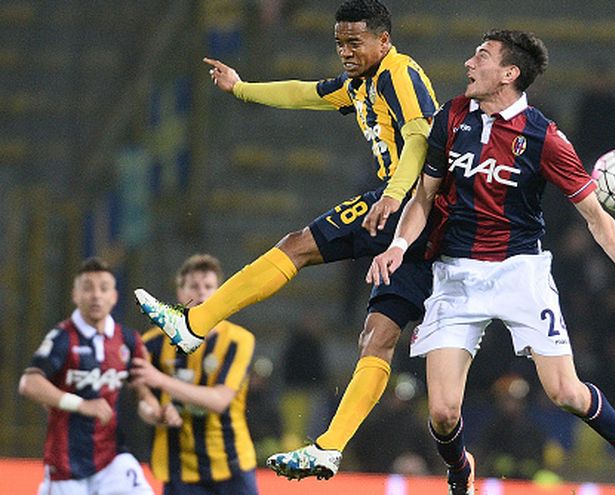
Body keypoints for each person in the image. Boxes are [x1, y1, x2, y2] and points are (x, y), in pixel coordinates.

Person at [133, 0, 438, 481]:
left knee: (299, 246)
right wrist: (241, 88)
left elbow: (422, 139)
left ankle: (195, 325)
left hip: (412, 204)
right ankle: (330, 447)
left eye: (354, 42)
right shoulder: (360, 84)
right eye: (339, 43)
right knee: (377, 336)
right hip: (406, 209)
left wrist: (393, 195)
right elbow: (304, 92)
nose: (345, 51)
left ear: (383, 40)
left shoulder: (399, 74)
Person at [368, 30, 615, 495]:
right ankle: (460, 472)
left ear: (508, 74)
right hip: (456, 273)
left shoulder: (543, 137)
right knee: (443, 413)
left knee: (565, 392)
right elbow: (424, 197)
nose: (469, 63)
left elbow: (594, 214)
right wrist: (398, 244)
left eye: (482, 56)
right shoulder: (452, 116)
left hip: (519, 272)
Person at [18, 257, 159, 495]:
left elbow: (144, 394)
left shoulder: (128, 340)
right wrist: (81, 404)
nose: (96, 296)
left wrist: (155, 412)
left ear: (114, 296)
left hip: (113, 458)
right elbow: (29, 383)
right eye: (87, 288)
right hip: (66, 463)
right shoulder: (62, 337)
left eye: (103, 288)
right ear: (75, 295)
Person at [131, 254, 259, 495]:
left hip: (231, 466)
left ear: (219, 292)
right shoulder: (152, 343)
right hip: (179, 469)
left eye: (209, 286)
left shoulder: (238, 340)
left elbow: (219, 400)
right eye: (193, 286)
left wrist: (161, 380)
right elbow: (143, 397)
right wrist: (157, 414)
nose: (201, 293)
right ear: (180, 292)